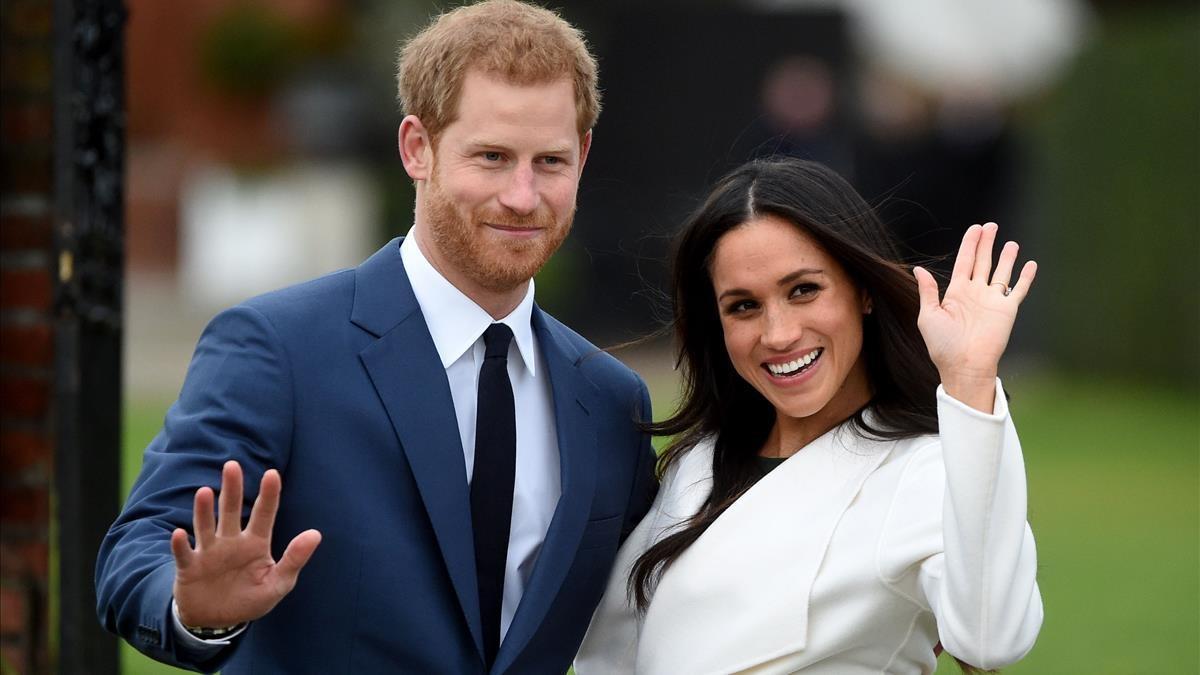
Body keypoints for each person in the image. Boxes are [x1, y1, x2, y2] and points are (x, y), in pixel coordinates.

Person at [95, 2, 657, 672]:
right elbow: (140, 548)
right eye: (492, 156)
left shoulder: (611, 400)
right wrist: (195, 612)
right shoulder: (278, 349)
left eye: (551, 161)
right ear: (417, 147)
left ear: (584, 155)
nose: (522, 194)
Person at [576, 158, 1043, 674]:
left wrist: (970, 380)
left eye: (803, 290)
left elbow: (990, 639)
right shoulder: (699, 463)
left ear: (862, 290)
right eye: (743, 306)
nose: (778, 334)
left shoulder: (922, 470)